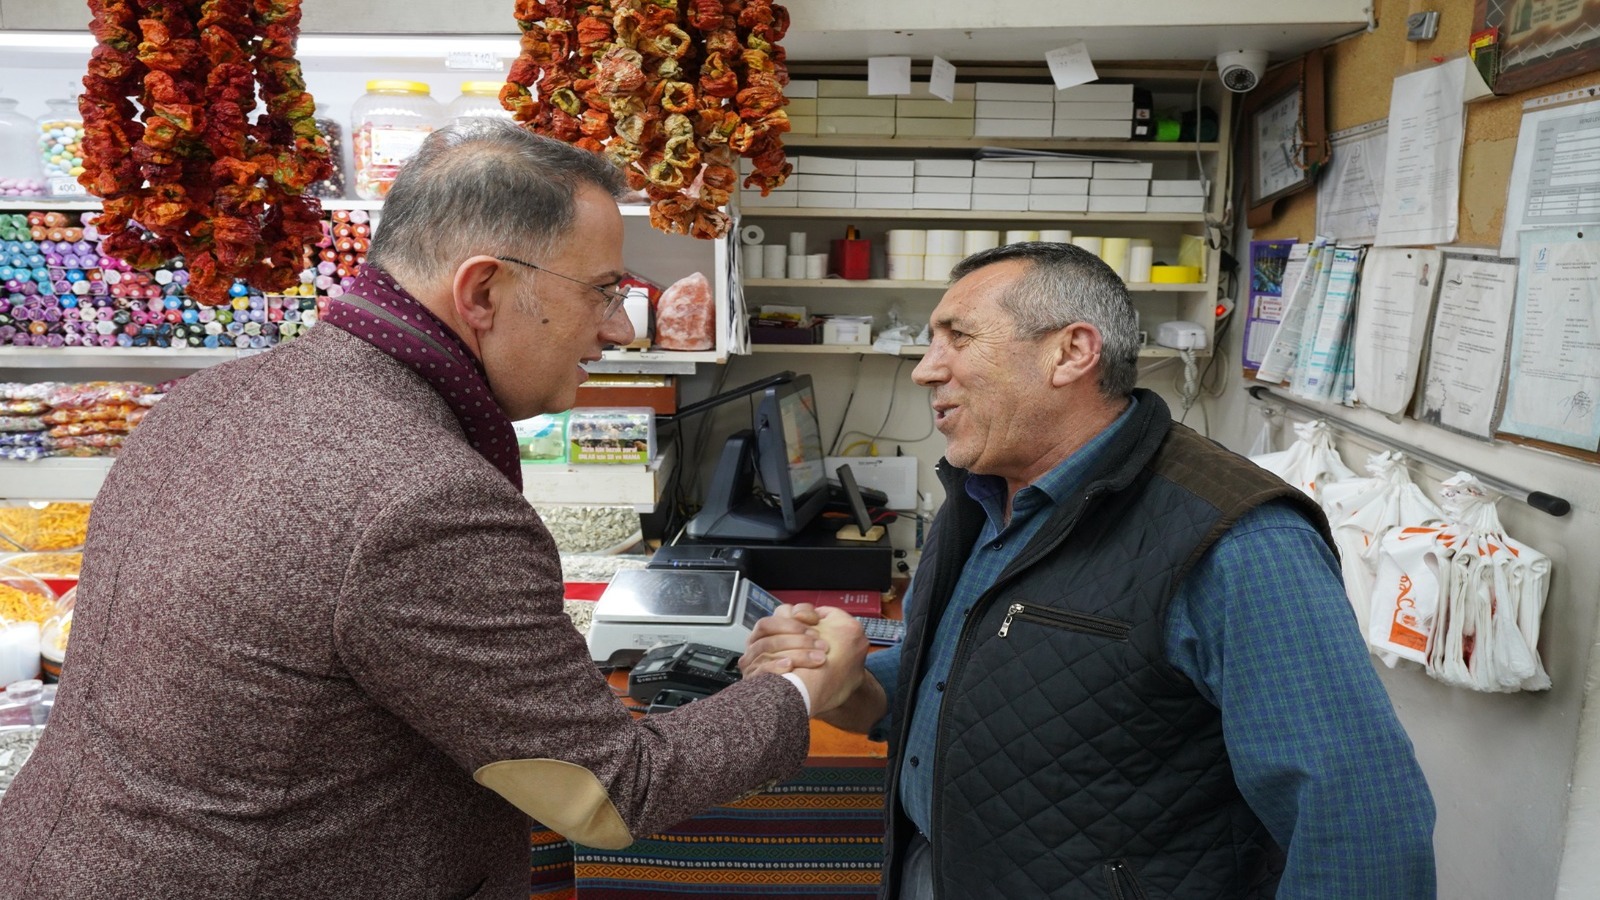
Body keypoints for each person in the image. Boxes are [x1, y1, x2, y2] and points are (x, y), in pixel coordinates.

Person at [0, 120, 865, 899]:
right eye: (603, 291)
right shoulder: (428, 500)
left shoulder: (214, 395)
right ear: (482, 292)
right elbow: (603, 791)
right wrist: (795, 688)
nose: (621, 330)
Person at [742, 242, 1437, 898]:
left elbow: (1360, 822)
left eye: (958, 337)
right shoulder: (982, 494)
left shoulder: (1238, 540)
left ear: (1071, 352)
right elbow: (971, 678)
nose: (927, 367)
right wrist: (848, 678)